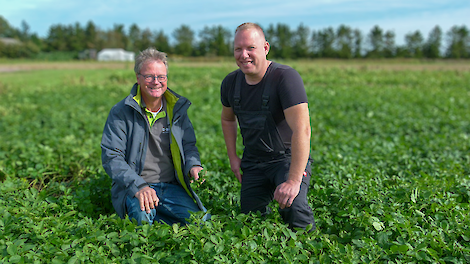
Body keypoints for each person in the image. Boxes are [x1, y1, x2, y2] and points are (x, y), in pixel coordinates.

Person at [220, 23, 315, 231]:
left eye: (250, 48)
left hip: (286, 159)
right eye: (238, 49)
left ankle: (309, 248)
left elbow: (303, 130)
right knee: (250, 221)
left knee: (294, 208)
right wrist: (233, 158)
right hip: (253, 161)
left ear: (265, 48)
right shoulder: (231, 83)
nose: (243, 55)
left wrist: (293, 181)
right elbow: (227, 119)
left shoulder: (285, 78)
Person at [101, 47, 209, 226]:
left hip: (172, 186)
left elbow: (188, 145)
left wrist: (193, 165)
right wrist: (139, 186)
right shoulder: (121, 112)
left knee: (203, 222)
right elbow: (112, 157)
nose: (156, 82)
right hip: (137, 187)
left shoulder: (176, 110)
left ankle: (162, 219)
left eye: (161, 77)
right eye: (149, 76)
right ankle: (158, 220)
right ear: (138, 77)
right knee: (143, 224)